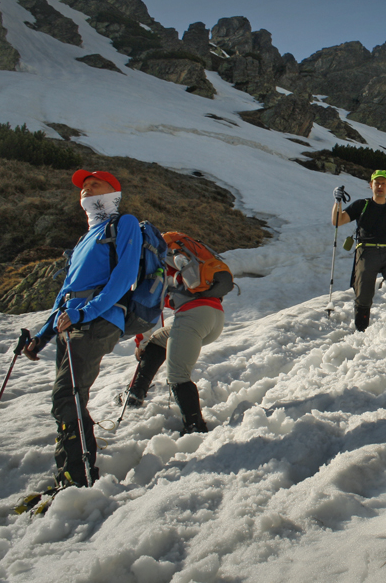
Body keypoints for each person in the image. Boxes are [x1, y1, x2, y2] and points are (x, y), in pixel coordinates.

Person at [24, 169, 141, 488]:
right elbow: (65, 292)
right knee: (69, 399)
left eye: (94, 185)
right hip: (70, 322)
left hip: (98, 319)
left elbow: (124, 275)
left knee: (66, 397)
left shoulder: (124, 224)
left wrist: (86, 312)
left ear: (113, 192)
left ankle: (76, 479)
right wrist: (43, 335)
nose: (86, 190)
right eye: (83, 187)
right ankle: (71, 472)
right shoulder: (84, 238)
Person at [124, 233, 231, 434]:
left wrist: (141, 343)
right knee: (159, 340)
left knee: (177, 376)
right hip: (215, 316)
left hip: (193, 317)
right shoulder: (184, 257)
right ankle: (136, 392)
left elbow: (148, 307)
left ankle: (195, 428)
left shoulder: (154, 263)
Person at [332, 170, 386, 331]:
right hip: (366, 252)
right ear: (371, 185)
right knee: (363, 294)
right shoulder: (362, 205)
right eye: (377, 183)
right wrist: (338, 201)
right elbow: (338, 220)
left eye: (383, 183)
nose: (380, 186)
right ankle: (361, 330)